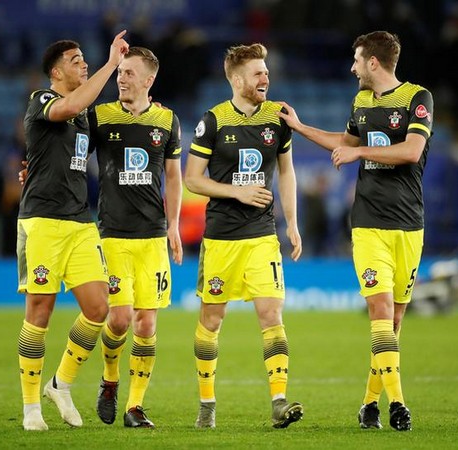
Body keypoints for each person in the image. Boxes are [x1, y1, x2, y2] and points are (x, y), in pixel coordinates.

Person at [277, 31, 434, 431]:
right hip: (368, 224)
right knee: (380, 312)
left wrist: (360, 152)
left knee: (393, 325)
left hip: (409, 225)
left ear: (374, 63)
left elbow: (411, 152)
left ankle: (369, 404)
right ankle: (398, 404)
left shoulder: (418, 99)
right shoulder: (360, 103)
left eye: (357, 60)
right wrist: (298, 127)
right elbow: (341, 142)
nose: (352, 68)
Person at [184, 43, 303, 429]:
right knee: (212, 321)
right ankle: (206, 404)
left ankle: (279, 401)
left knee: (271, 314)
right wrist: (236, 191)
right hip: (221, 239)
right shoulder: (214, 121)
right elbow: (192, 179)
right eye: (257, 72)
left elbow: (286, 172)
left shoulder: (278, 118)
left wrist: (293, 223)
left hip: (261, 235)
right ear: (237, 80)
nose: (265, 77)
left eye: (266, 71)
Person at [17, 31, 129, 431]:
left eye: (86, 58)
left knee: (100, 309)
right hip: (43, 222)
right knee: (40, 311)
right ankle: (31, 407)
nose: (83, 63)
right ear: (56, 70)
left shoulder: (83, 115)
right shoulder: (42, 100)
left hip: (80, 222)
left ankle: (59, 384)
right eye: (77, 58)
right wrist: (111, 64)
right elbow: (68, 108)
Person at [90, 47, 183, 428]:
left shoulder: (167, 120)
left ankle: (134, 406)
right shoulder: (100, 116)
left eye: (129, 72)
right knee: (120, 320)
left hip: (152, 237)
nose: (121, 78)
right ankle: (110, 380)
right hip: (113, 234)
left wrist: (174, 225)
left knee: (146, 323)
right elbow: (70, 150)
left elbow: (175, 177)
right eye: (120, 72)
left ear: (149, 80)